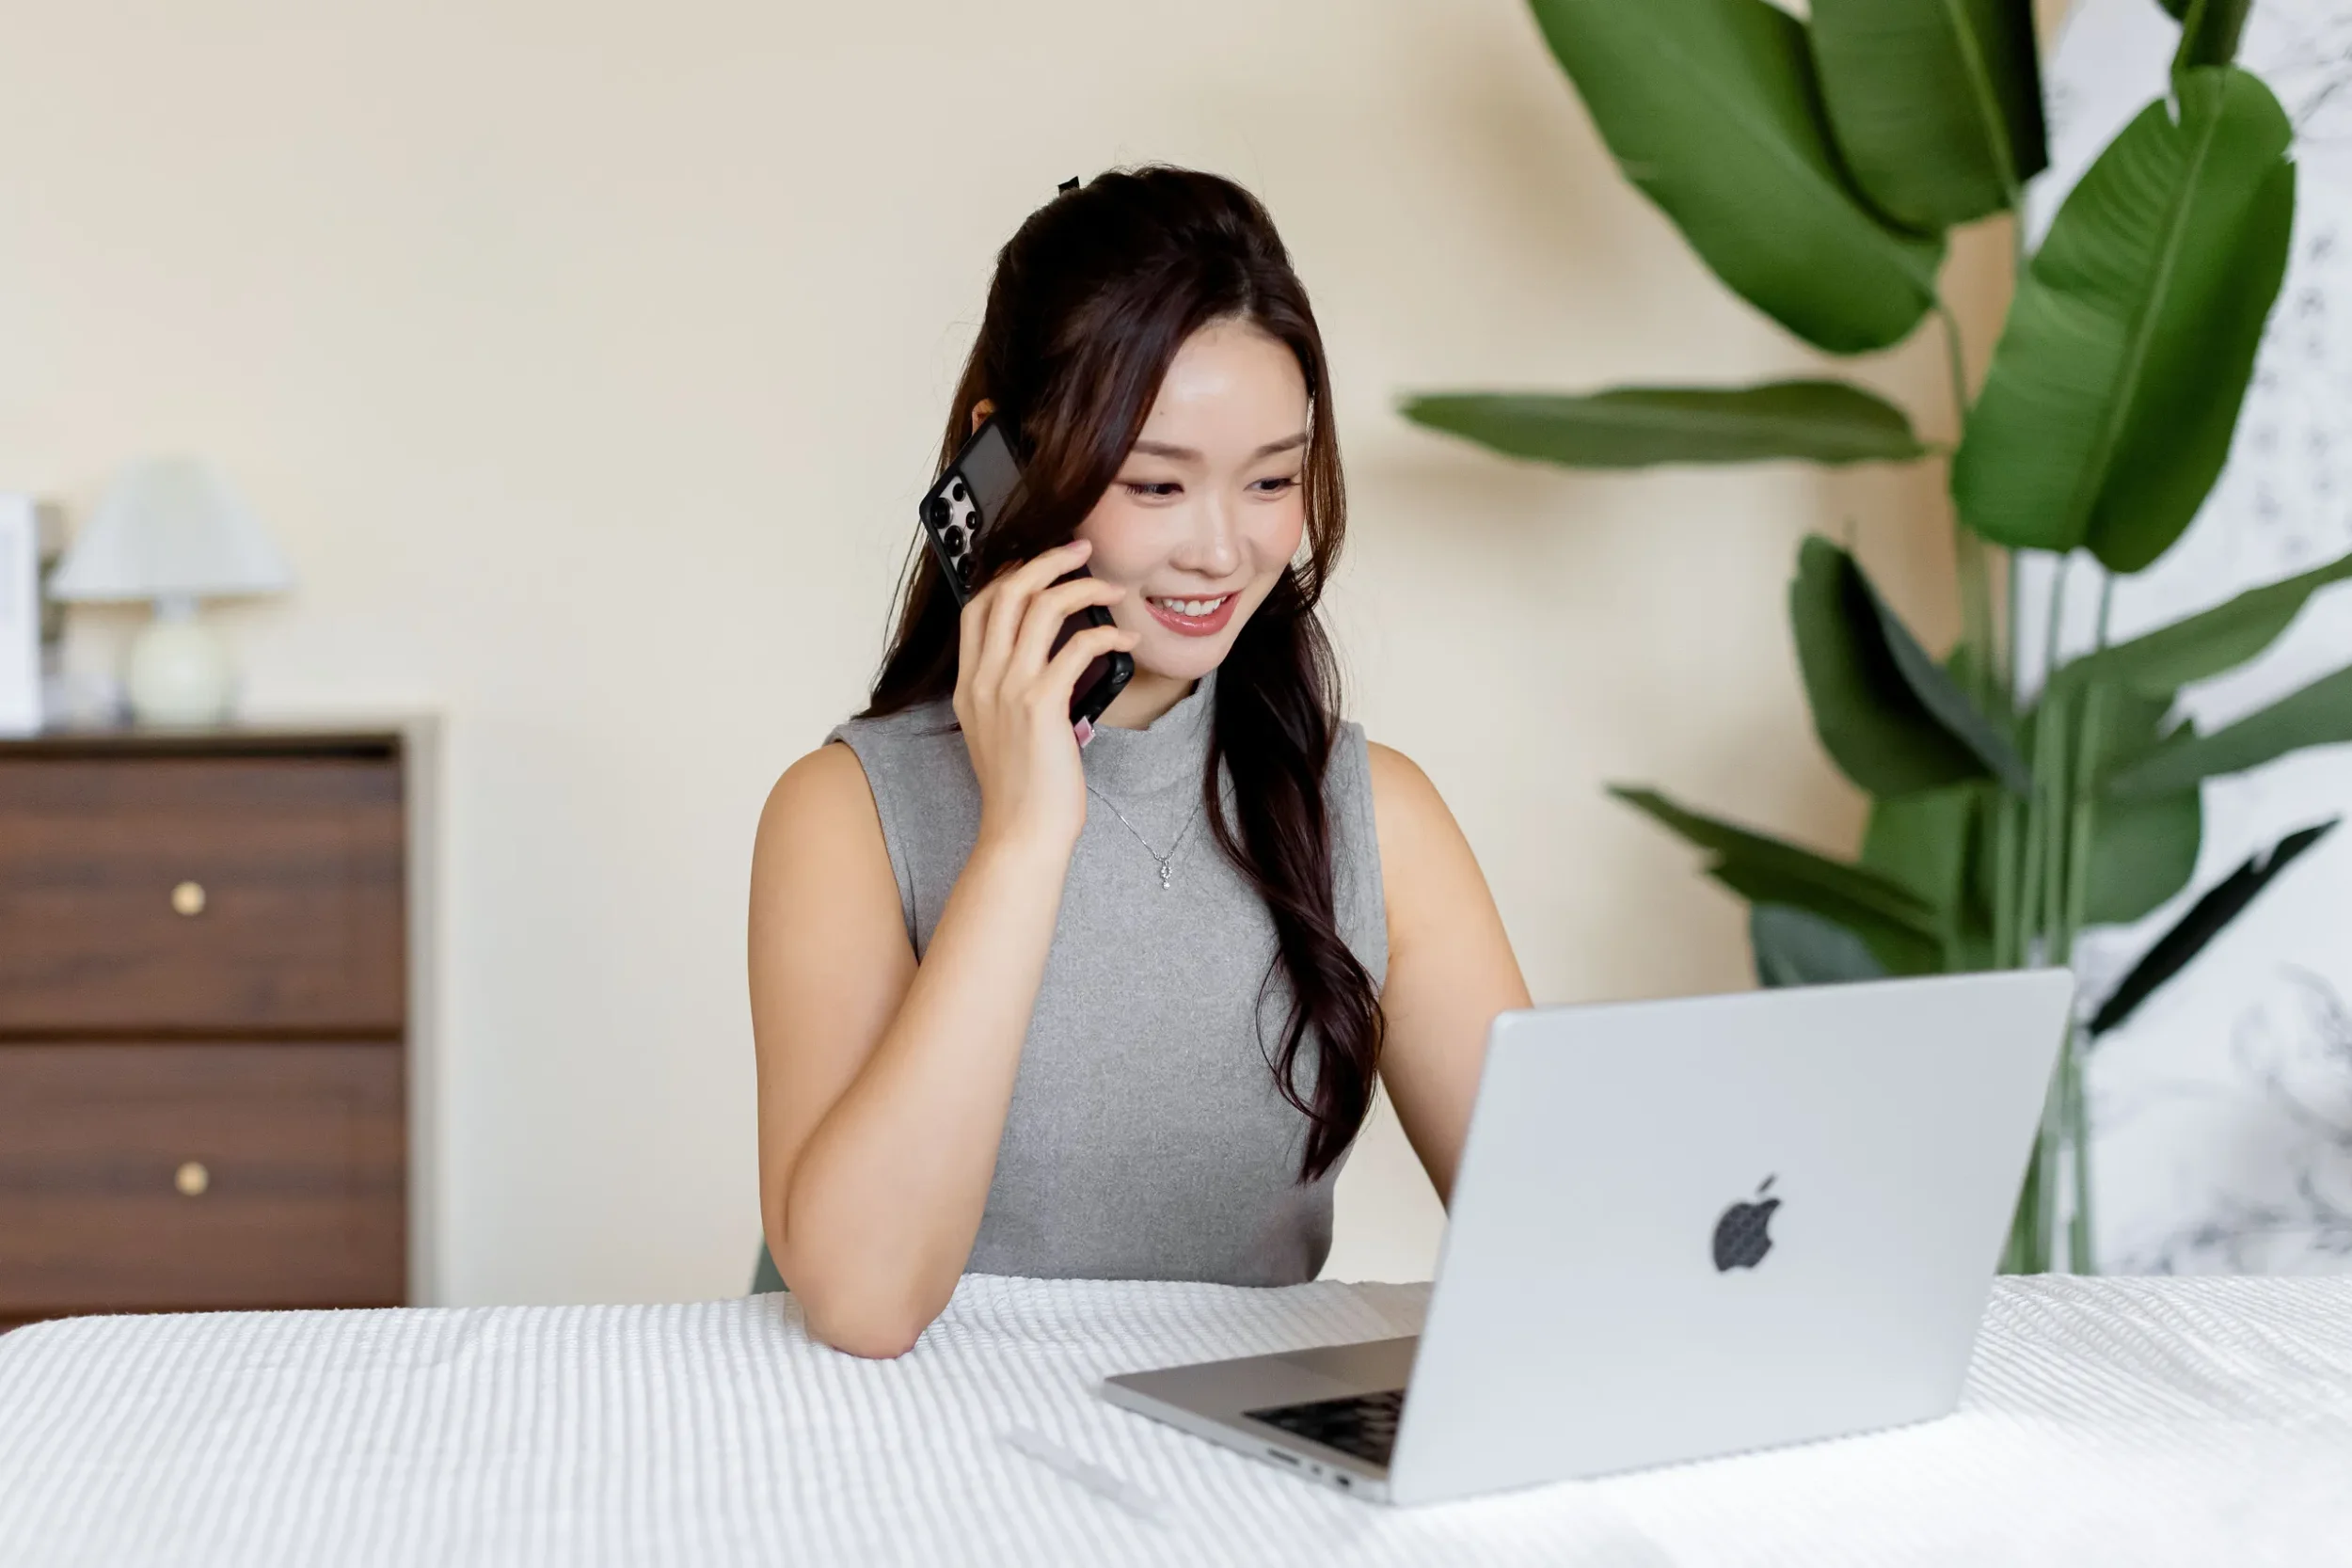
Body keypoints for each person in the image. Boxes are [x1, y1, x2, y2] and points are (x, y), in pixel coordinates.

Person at [748, 166, 1530, 1358]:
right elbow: (864, 1300)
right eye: (1156, 482)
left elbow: (1563, 1237)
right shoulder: (846, 814)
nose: (1223, 546)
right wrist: (1020, 838)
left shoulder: (1375, 815)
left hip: (1235, 1483)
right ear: (1000, 463)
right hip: (906, 1466)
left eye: (1272, 478)